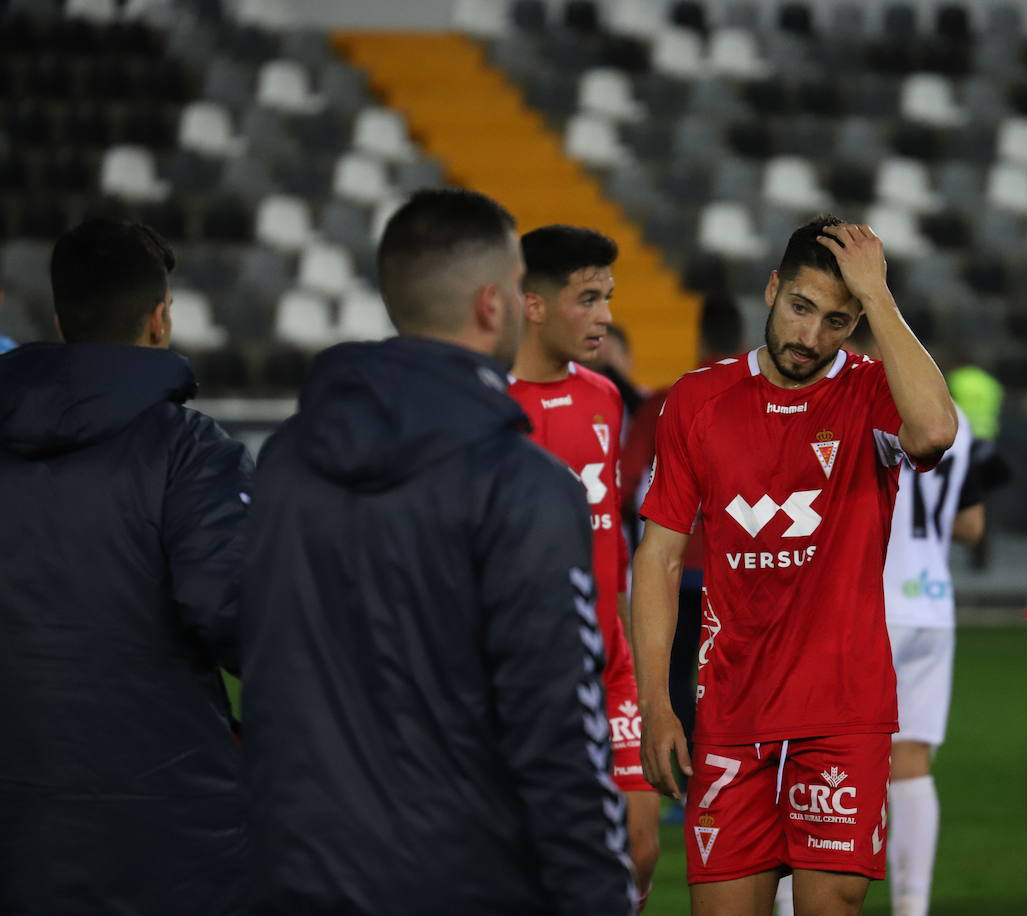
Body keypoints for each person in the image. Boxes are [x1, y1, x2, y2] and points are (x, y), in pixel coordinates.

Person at [240, 190, 636, 915]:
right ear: (493, 305)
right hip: (465, 879)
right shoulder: (523, 483)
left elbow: (261, 662)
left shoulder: (286, 463)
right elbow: (556, 730)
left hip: (298, 875)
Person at [633, 216, 957, 915]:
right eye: (801, 308)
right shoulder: (698, 401)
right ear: (772, 289)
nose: (810, 337)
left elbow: (934, 431)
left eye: (838, 320)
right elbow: (657, 559)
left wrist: (880, 297)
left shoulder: (872, 394)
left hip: (843, 713)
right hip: (729, 713)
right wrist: (658, 703)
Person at [0, 219, 252, 914]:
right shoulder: (192, 451)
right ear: (161, 318)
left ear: (58, 320)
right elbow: (234, 611)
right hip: (166, 828)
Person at [774, 319, 986, 916]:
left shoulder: (859, 400)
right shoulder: (953, 416)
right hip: (932, 604)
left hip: (869, 602)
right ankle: (913, 906)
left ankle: (794, 902)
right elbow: (969, 521)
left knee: (813, 756)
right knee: (913, 761)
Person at [507, 224, 659, 907]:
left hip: (612, 665)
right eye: (589, 298)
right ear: (532, 304)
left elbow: (615, 540)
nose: (606, 316)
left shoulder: (605, 398)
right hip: (529, 676)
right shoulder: (487, 405)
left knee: (640, 847)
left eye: (609, 297)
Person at [622, 293, 745, 748]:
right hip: (741, 569)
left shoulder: (666, 400)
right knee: (734, 675)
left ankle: (686, 769)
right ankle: (733, 770)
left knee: (674, 670)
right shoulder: (764, 404)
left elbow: (626, 480)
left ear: (699, 338)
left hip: (673, 564)